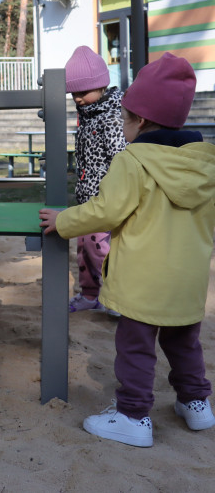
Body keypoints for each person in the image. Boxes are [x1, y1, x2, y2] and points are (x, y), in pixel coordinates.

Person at [40, 53, 215, 448]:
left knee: (136, 349)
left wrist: (63, 222)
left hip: (142, 282)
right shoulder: (206, 165)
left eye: (125, 119)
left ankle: (133, 416)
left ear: (140, 121)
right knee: (184, 343)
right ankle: (197, 403)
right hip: (187, 283)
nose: (123, 126)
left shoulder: (132, 161)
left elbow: (107, 210)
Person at [64, 46, 126, 314]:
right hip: (86, 198)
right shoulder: (88, 117)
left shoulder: (112, 119)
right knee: (84, 251)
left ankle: (116, 298)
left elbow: (121, 161)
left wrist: (113, 195)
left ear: (102, 86)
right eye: (73, 93)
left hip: (105, 200)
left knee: (102, 250)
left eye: (83, 92)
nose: (77, 98)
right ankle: (90, 294)